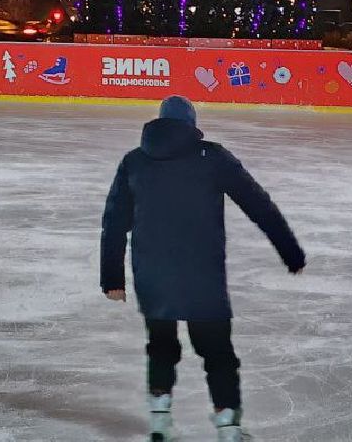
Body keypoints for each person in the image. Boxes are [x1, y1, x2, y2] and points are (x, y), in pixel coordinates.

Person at [100, 95, 305, 442]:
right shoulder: (214, 158)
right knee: (217, 352)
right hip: (202, 276)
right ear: (192, 127)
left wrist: (112, 279)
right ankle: (228, 427)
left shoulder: (134, 161)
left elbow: (114, 223)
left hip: (153, 274)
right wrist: (290, 252)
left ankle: (160, 422)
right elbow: (259, 205)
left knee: (161, 346)